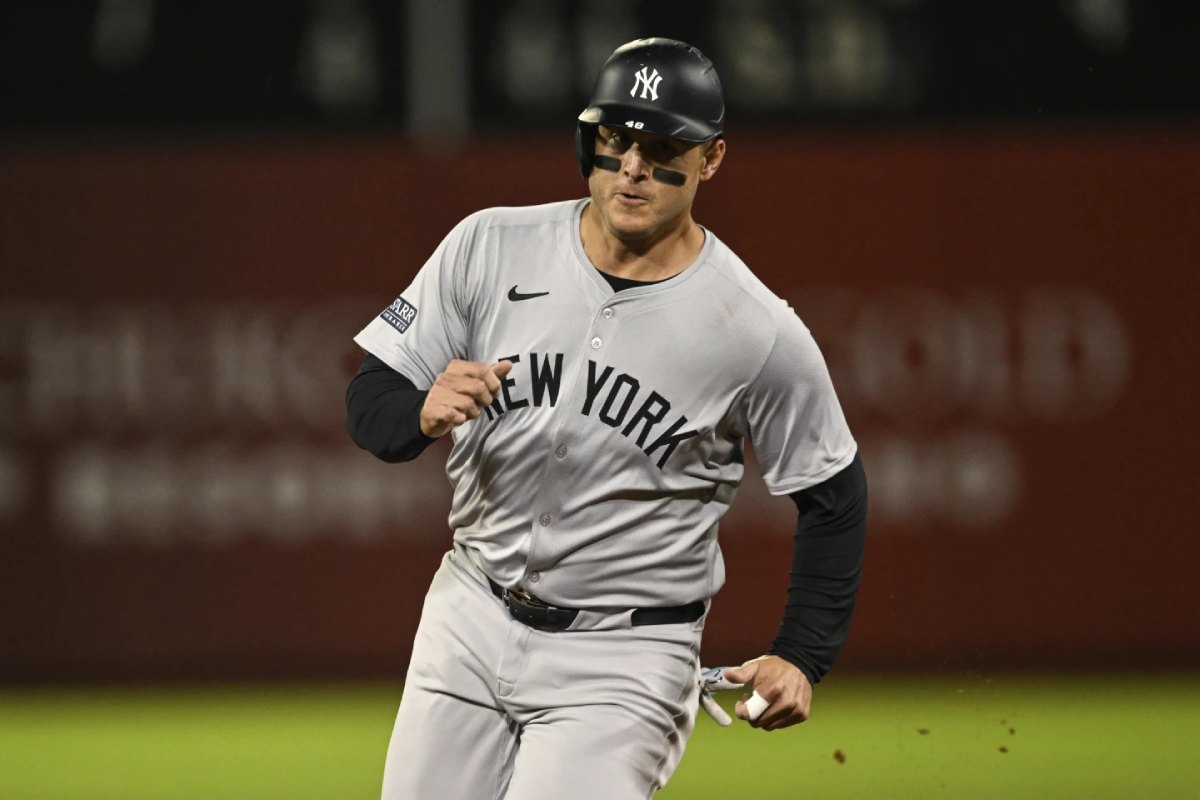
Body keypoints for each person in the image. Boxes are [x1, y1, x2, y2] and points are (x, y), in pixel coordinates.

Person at [345, 37, 867, 800]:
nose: (630, 167)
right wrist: (418, 411)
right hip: (469, 611)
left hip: (623, 654)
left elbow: (834, 492)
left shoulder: (754, 327)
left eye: (661, 148)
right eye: (614, 140)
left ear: (711, 159)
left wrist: (802, 654)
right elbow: (370, 400)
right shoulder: (491, 244)